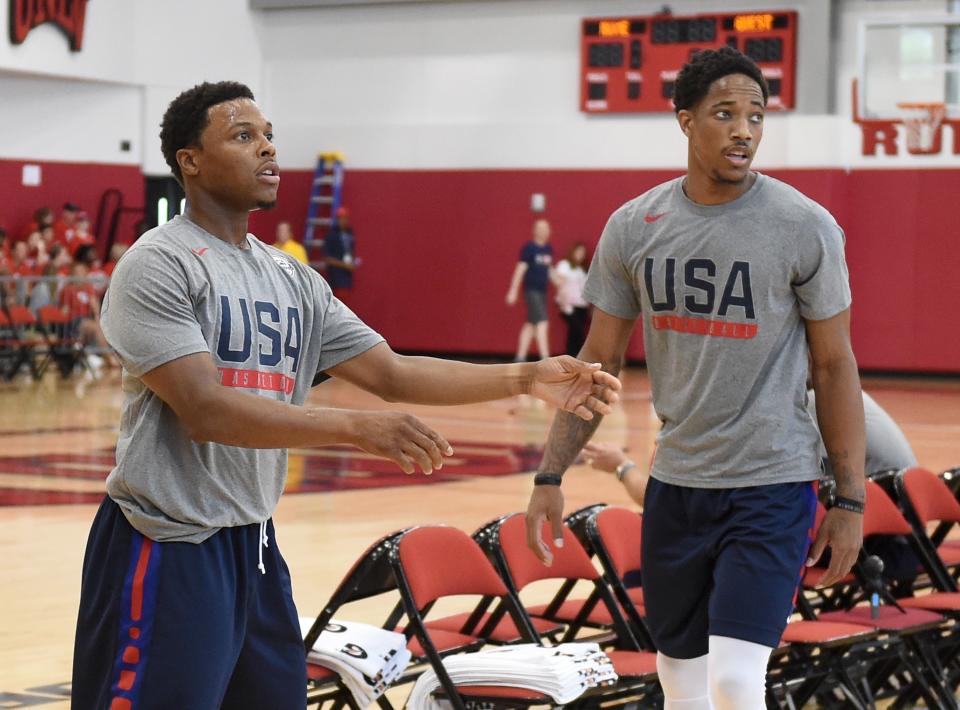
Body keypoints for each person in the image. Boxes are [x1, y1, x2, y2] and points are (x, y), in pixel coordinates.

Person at [70, 81, 621, 710]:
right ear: (189, 159)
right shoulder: (159, 264)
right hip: (166, 543)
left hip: (251, 544)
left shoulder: (289, 276)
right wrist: (355, 429)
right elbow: (205, 409)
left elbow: (391, 373)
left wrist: (525, 377)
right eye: (243, 136)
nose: (268, 149)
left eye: (269, 135)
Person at [523, 47, 865, 710]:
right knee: (681, 682)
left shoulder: (804, 226)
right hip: (677, 486)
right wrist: (549, 474)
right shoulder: (633, 226)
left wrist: (849, 500)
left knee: (736, 683)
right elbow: (598, 364)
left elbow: (835, 363)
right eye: (726, 114)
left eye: (756, 116)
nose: (745, 130)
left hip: (770, 483)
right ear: (685, 120)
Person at [506, 218, 554, 361]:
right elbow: (520, 269)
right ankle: (546, 359)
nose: (544, 231)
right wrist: (513, 290)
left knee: (530, 325)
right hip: (531, 291)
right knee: (542, 322)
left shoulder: (548, 249)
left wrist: (559, 281)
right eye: (540, 228)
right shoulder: (529, 248)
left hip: (542, 291)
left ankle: (520, 357)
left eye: (546, 228)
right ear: (535, 231)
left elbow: (549, 269)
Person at [555, 241, 590, 356]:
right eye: (579, 252)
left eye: (583, 253)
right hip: (569, 305)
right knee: (578, 332)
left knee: (574, 334)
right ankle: (576, 357)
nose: (581, 255)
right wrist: (565, 306)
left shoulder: (582, 270)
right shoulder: (564, 265)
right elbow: (560, 285)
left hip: (582, 306)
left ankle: (573, 358)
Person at [323, 205, 357, 302]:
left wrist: (353, 262)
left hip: (347, 278)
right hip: (335, 278)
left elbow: (351, 250)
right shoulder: (331, 235)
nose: (343, 221)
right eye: (341, 218)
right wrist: (345, 265)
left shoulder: (350, 233)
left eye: (345, 218)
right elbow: (327, 258)